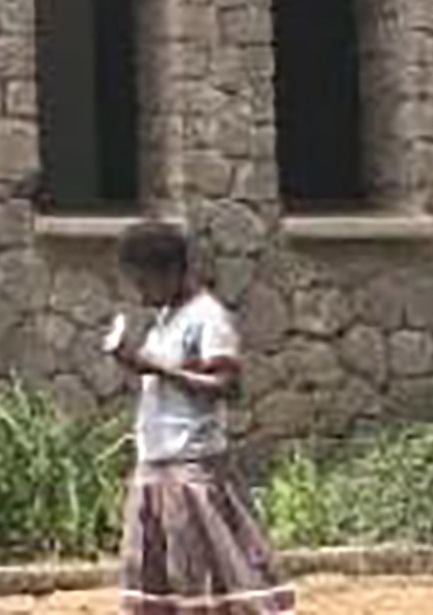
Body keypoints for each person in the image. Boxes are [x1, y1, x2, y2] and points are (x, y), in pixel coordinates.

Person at [110, 221, 296, 615]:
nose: (140, 293)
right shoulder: (167, 317)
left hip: (192, 467)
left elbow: (228, 385)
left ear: (172, 272)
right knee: (167, 575)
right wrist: (142, 366)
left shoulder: (207, 317)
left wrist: (155, 368)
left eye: (144, 282)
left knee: (212, 570)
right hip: (159, 462)